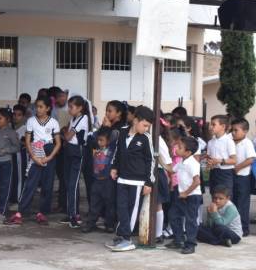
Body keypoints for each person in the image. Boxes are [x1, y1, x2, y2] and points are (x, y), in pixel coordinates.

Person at [106, 106, 155, 252]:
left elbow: (150, 161)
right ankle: (122, 235)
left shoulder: (146, 138)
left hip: (138, 182)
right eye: (144, 125)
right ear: (135, 120)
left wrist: (148, 182)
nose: (146, 129)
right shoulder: (122, 132)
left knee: (132, 210)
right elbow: (117, 152)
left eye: (148, 126)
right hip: (122, 179)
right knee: (121, 208)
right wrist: (114, 167)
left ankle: (127, 239)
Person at [6, 97, 61, 225]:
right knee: (30, 183)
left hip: (49, 151)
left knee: (47, 185)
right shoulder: (31, 121)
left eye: (41, 107)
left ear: (48, 108)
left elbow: (58, 143)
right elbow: (27, 141)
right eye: (37, 106)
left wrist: (49, 157)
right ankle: (21, 212)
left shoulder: (53, 122)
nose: (38, 109)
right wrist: (34, 157)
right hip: (35, 151)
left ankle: (42, 213)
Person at [165, 136, 201, 255]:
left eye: (180, 147)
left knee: (190, 220)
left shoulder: (192, 163)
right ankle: (178, 240)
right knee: (173, 214)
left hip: (192, 196)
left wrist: (186, 193)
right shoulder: (181, 161)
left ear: (188, 152)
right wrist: (160, 160)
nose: (176, 148)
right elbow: (172, 170)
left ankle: (190, 244)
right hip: (182, 195)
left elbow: (197, 181)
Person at [61, 95, 92, 228]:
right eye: (68, 107)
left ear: (80, 108)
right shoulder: (73, 118)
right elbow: (67, 135)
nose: (69, 109)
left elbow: (68, 136)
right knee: (68, 183)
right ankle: (71, 213)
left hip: (77, 153)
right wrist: (65, 134)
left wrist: (63, 134)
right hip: (69, 152)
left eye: (71, 107)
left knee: (73, 184)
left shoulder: (83, 118)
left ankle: (74, 216)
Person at [82, 128, 117, 233]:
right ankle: (91, 223)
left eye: (102, 140)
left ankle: (109, 224)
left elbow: (115, 134)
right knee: (94, 204)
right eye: (98, 140)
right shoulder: (96, 147)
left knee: (109, 204)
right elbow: (94, 134)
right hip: (96, 181)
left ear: (108, 141)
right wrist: (103, 128)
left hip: (108, 181)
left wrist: (109, 127)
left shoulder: (112, 149)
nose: (99, 142)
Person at [230, 118, 254, 236]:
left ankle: (244, 228)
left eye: (236, 130)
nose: (233, 132)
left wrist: (238, 167)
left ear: (245, 131)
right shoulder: (231, 142)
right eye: (232, 130)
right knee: (233, 201)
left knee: (242, 203)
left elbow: (251, 159)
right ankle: (234, 226)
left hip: (243, 177)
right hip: (232, 176)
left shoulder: (247, 143)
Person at [206, 115, 236, 196]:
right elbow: (209, 157)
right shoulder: (210, 142)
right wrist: (209, 163)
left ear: (223, 126)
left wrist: (219, 161)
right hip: (213, 172)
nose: (210, 127)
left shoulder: (229, 141)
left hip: (225, 173)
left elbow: (234, 160)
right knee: (214, 194)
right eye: (210, 124)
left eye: (213, 125)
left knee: (225, 195)